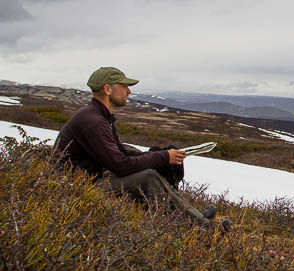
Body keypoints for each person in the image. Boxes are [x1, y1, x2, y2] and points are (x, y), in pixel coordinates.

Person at [54, 66, 231, 231]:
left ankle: (191, 214)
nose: (129, 91)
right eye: (124, 87)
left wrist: (158, 155)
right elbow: (120, 165)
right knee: (149, 176)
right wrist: (162, 157)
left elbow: (119, 151)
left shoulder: (101, 116)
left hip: (95, 173)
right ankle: (202, 227)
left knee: (157, 155)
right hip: (80, 185)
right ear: (107, 90)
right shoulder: (94, 122)